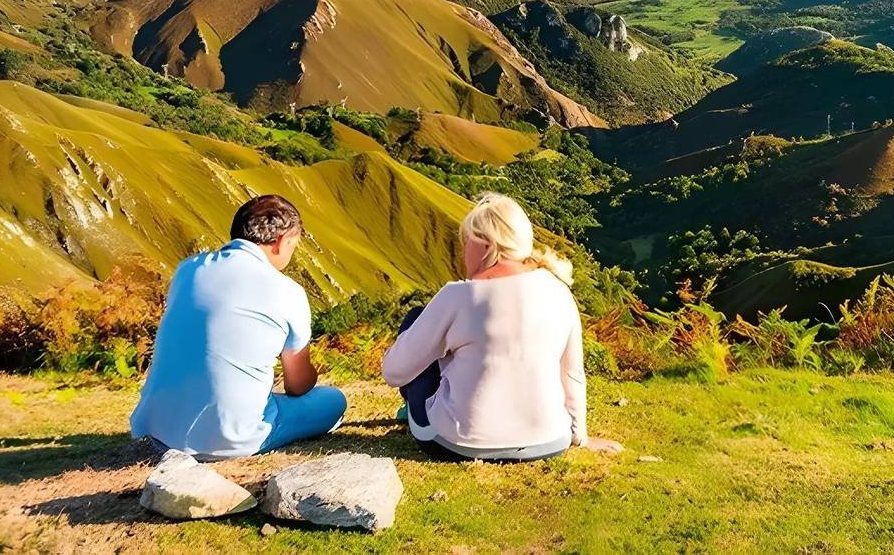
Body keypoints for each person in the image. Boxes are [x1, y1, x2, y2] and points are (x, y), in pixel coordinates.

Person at [382, 192, 620, 461]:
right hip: (551, 440)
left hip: (457, 443)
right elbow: (572, 374)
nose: (463, 251)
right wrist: (579, 436)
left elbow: (393, 372)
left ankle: (414, 409)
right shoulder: (559, 291)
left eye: (466, 241)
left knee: (416, 317)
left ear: (486, 244)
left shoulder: (457, 296)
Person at [130, 195, 346, 458]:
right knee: (334, 400)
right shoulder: (287, 291)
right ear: (280, 242)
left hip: (161, 432)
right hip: (234, 437)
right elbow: (297, 385)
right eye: (293, 245)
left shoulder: (187, 270)